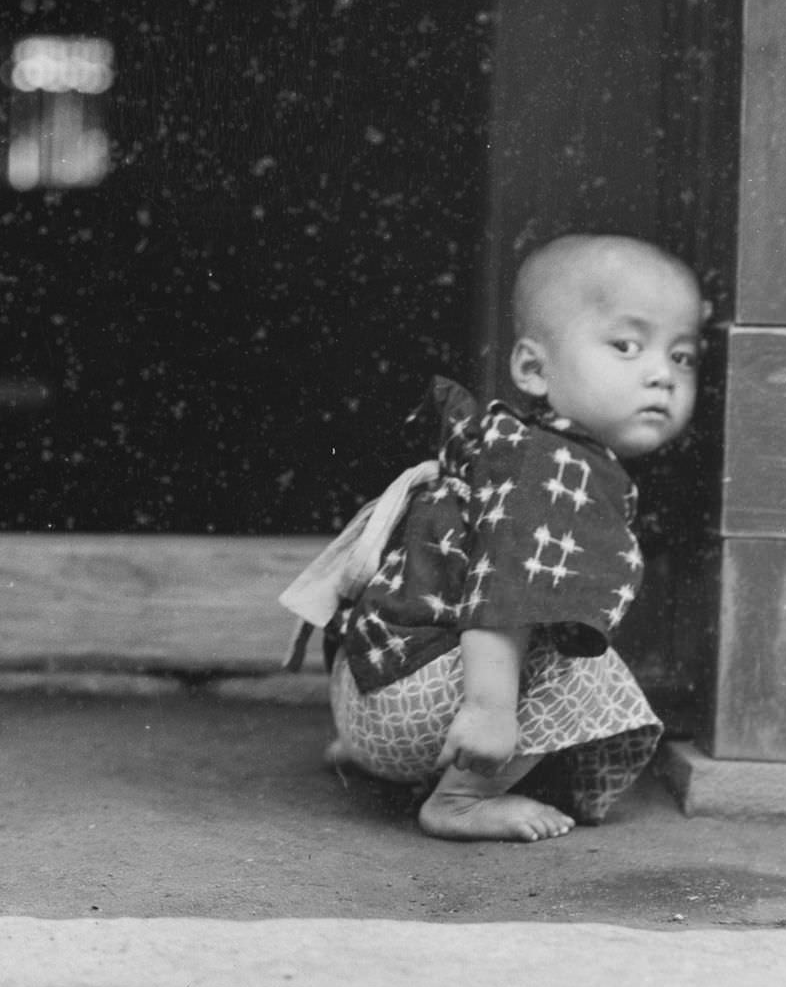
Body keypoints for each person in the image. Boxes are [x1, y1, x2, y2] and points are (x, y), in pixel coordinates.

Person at [281, 234, 704, 843]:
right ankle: (457, 801)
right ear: (534, 368)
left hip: (365, 709)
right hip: (415, 719)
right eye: (626, 345)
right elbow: (505, 592)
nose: (661, 375)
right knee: (585, 664)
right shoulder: (552, 468)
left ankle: (391, 760)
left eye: (682, 357)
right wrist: (489, 710)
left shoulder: (509, 443)